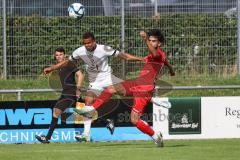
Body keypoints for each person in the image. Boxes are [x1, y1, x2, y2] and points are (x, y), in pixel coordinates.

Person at [74, 29, 175, 147]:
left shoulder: (158, 54)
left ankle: (155, 135)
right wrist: (171, 70)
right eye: (150, 40)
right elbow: (165, 62)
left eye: (154, 41)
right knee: (111, 88)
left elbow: (156, 55)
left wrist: (145, 39)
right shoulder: (157, 57)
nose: (151, 42)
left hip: (144, 89)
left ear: (159, 44)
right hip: (137, 85)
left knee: (135, 120)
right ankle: (90, 109)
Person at [43, 32, 145, 142]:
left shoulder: (104, 49)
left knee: (129, 93)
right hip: (95, 83)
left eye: (89, 43)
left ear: (94, 41)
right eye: (85, 43)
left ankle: (151, 97)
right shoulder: (79, 51)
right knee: (88, 101)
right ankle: (86, 134)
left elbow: (124, 56)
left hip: (108, 79)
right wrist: (52, 68)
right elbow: (66, 62)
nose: (87, 45)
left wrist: (141, 59)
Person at [35, 47, 84, 143]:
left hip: (70, 93)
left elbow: (80, 75)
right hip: (66, 92)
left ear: (64, 55)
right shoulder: (60, 66)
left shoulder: (69, 63)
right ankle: (106, 121)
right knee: (83, 113)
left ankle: (47, 138)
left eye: (60, 54)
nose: (58, 57)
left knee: (57, 112)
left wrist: (78, 89)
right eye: (57, 55)